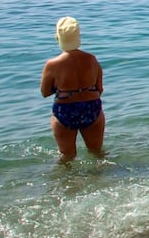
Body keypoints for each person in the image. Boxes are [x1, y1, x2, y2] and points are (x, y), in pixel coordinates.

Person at [40, 17, 105, 161]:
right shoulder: (91, 59)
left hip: (65, 110)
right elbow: (99, 88)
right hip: (91, 107)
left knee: (67, 157)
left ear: (58, 37)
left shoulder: (52, 64)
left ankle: (68, 183)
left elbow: (45, 92)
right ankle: (102, 179)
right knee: (97, 153)